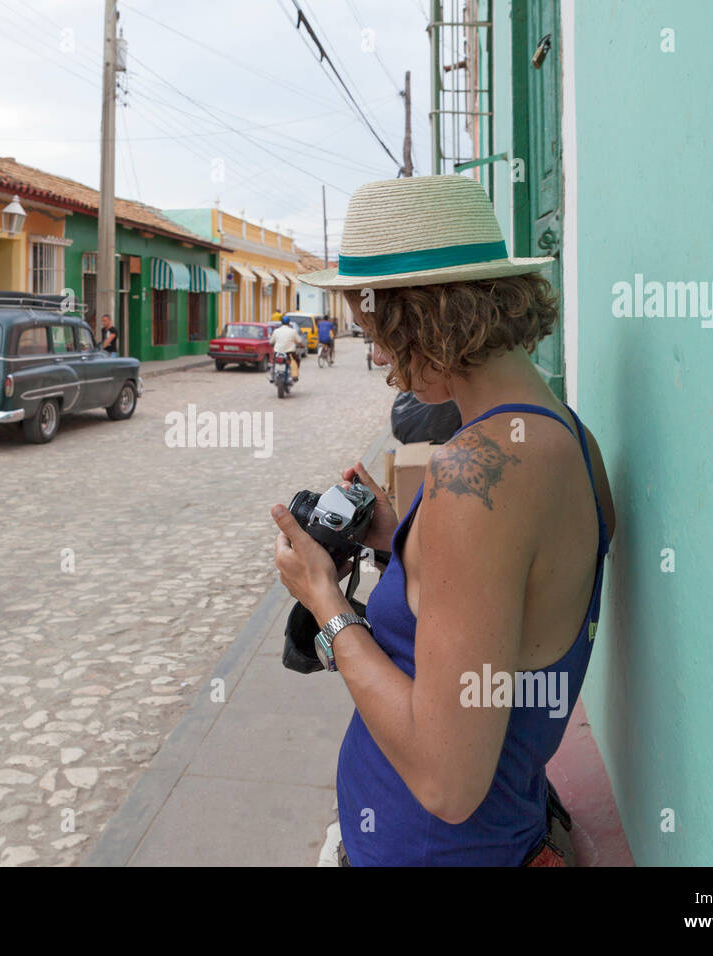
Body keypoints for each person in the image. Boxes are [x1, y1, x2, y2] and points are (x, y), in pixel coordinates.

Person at [273, 174, 616, 867]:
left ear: (423, 322)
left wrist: (328, 605)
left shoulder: (475, 474)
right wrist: (404, 538)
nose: (383, 362)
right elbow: (515, 605)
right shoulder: (572, 438)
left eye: (379, 337)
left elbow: (448, 781)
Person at [270, 314, 300, 381]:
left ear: (281, 322)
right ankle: (295, 375)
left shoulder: (276, 331)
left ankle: (272, 376)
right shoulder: (293, 331)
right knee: (297, 360)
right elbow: (299, 341)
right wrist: (301, 345)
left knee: (273, 362)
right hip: (289, 353)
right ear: (289, 323)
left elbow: (271, 342)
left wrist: (273, 345)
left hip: (278, 352)